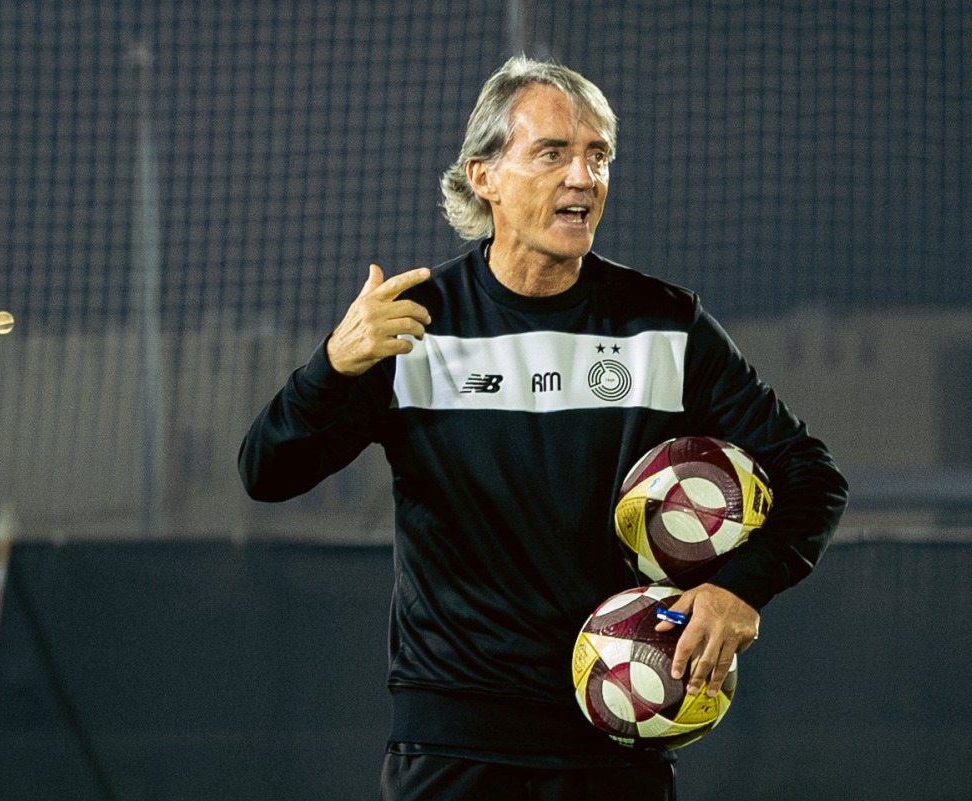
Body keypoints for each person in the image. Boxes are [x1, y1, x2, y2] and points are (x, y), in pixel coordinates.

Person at [239, 55, 848, 801]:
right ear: (483, 177)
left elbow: (812, 476)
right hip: (452, 741)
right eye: (553, 153)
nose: (583, 178)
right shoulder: (415, 327)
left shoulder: (663, 324)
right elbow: (266, 473)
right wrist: (330, 368)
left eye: (598, 157)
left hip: (620, 729)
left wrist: (739, 589)